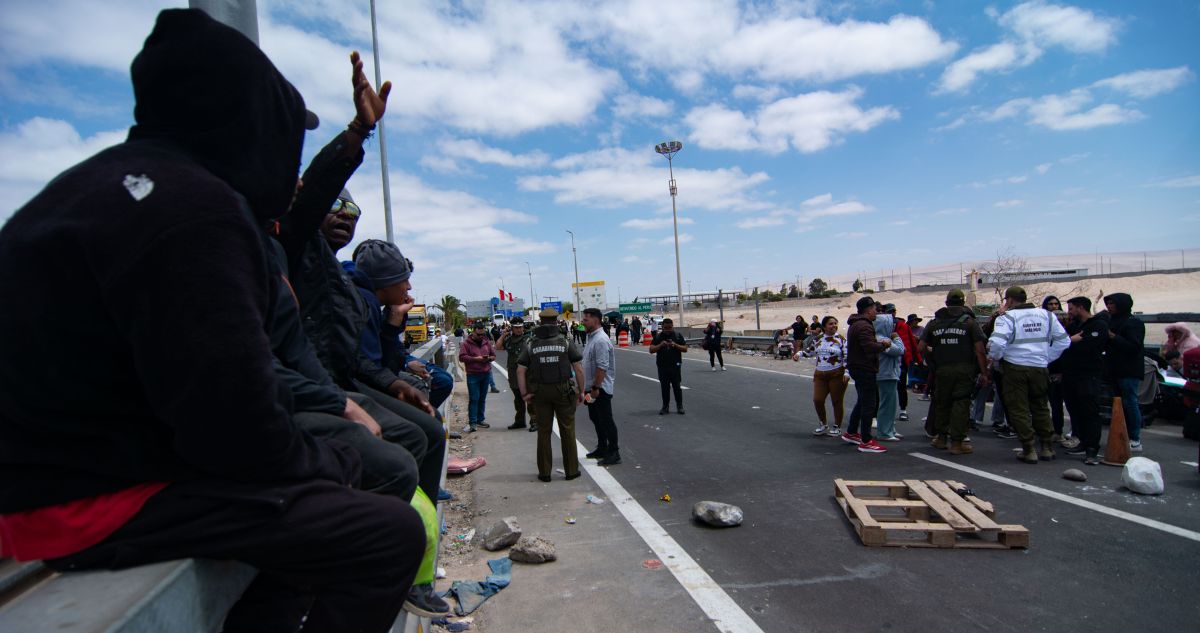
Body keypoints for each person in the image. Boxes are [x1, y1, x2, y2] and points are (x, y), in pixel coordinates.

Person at [0, 10, 424, 632]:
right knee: (384, 532)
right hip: (95, 499)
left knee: (307, 518)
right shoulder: (196, 214)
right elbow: (233, 419)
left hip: (52, 483)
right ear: (254, 125)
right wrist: (334, 461)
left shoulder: (89, 188)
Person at [988, 286, 1071, 463]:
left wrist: (996, 358)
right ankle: (1047, 447)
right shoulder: (1047, 315)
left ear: (1010, 300)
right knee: (1040, 406)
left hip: (1015, 368)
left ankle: (1029, 448)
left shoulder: (1007, 317)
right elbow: (1064, 341)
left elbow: (996, 343)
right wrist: (1046, 357)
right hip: (1039, 368)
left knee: (1019, 409)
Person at [517, 309, 586, 481]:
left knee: (543, 432)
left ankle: (545, 473)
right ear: (556, 321)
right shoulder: (566, 341)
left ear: (540, 322)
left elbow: (520, 370)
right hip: (564, 391)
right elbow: (578, 368)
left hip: (540, 392)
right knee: (567, 431)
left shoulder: (531, 343)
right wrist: (582, 391)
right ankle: (571, 471)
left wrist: (524, 394)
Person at [919, 289, 989, 455]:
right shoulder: (969, 323)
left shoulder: (934, 323)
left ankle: (941, 438)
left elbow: (921, 347)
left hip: (942, 370)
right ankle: (957, 443)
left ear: (946, 303)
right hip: (964, 370)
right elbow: (980, 350)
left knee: (942, 402)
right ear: (963, 303)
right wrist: (984, 373)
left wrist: (933, 359)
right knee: (961, 404)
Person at [1059, 297, 1110, 465]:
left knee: (1090, 411)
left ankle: (1092, 447)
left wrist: (1072, 343)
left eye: (1071, 309)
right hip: (1071, 374)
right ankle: (1081, 440)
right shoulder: (1074, 326)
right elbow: (1062, 344)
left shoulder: (1098, 325)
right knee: (1075, 410)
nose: (1069, 312)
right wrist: (1071, 341)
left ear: (1080, 308)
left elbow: (1089, 346)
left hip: (1088, 375)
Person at [843, 297, 892, 454]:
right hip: (864, 368)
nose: (876, 312)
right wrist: (884, 344)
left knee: (862, 401)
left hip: (857, 367)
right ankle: (866, 440)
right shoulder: (864, 325)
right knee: (869, 404)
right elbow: (869, 347)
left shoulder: (855, 324)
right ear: (868, 310)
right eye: (875, 309)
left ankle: (851, 432)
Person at [1103, 293, 1147, 452]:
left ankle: (1134, 438)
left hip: (1129, 370)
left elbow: (1134, 346)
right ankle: (1121, 435)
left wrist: (1113, 337)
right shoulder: (1111, 321)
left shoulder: (1133, 323)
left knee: (1130, 403)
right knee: (1118, 404)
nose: (1109, 306)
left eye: (1112, 303)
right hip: (1114, 369)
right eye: (1108, 303)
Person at [581, 308, 620, 465]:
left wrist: (596, 388)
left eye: (586, 319)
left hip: (600, 388)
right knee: (596, 418)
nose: (582, 322)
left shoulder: (601, 340)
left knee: (606, 420)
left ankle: (614, 452)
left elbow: (602, 367)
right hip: (591, 387)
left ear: (595, 320)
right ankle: (602, 447)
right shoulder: (591, 338)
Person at [802, 316, 849, 436]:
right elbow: (809, 351)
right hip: (820, 374)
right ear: (824, 327)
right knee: (818, 400)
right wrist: (799, 354)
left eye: (835, 323)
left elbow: (847, 356)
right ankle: (823, 424)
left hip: (836, 374)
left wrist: (847, 372)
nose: (834, 326)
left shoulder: (841, 339)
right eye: (830, 324)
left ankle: (837, 426)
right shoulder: (818, 339)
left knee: (836, 401)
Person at [498, 318, 537, 431]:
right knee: (518, 398)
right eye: (516, 327)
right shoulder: (509, 340)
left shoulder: (529, 339)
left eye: (520, 327)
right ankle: (520, 421)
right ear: (512, 328)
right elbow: (498, 347)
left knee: (530, 397)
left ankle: (535, 421)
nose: (519, 329)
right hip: (514, 373)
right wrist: (503, 335)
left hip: (527, 373)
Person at [882, 304, 920, 422]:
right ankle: (885, 412)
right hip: (887, 359)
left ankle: (903, 410)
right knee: (887, 387)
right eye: (890, 312)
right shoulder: (882, 325)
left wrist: (918, 360)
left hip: (902, 360)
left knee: (902, 386)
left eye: (893, 311)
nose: (892, 314)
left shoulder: (903, 326)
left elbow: (912, 343)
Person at [459, 323, 497, 432]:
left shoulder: (486, 342)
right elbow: (462, 357)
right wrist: (476, 359)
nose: (481, 336)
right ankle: (473, 422)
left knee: (482, 399)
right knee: (474, 399)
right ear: (473, 332)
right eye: (479, 334)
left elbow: (493, 355)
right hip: (473, 375)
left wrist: (489, 358)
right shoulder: (466, 344)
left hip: (485, 374)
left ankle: (480, 419)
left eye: (482, 334)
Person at [874, 311, 905, 441]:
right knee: (887, 405)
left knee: (890, 405)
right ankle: (885, 432)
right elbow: (900, 350)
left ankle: (890, 429)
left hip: (887, 373)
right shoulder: (882, 339)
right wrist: (897, 338)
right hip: (886, 374)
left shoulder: (880, 337)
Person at [1042, 296, 1068, 442]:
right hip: (1046, 368)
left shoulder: (1067, 327)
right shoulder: (1043, 325)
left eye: (1056, 304)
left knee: (1058, 403)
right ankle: (1048, 430)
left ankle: (1059, 431)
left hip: (1060, 369)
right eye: (1050, 304)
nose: (1054, 306)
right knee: (1045, 403)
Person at [651, 318, 688, 414]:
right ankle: (665, 406)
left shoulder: (677, 336)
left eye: (670, 327)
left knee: (677, 387)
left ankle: (679, 406)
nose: (668, 330)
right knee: (665, 387)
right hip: (662, 366)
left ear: (672, 326)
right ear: (662, 327)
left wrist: (675, 345)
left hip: (675, 366)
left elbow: (685, 349)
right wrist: (660, 345)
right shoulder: (658, 337)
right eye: (666, 328)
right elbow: (651, 349)